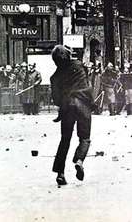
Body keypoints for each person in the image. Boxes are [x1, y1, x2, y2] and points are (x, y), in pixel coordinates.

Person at [51, 45, 94, 186]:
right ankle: (79, 160)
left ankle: (60, 173)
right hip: (82, 105)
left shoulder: (55, 76)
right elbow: (87, 85)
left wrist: (62, 104)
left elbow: (56, 98)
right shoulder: (79, 66)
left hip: (67, 107)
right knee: (85, 138)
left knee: (65, 140)